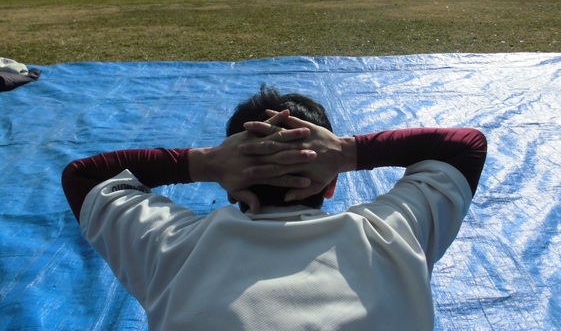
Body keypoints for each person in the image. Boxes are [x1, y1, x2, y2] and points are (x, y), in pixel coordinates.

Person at [62, 86, 487, 331]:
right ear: (332, 183)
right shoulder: (392, 237)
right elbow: (464, 146)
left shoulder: (173, 248)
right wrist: (347, 151)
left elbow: (85, 176)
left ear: (231, 189)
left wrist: (205, 162)